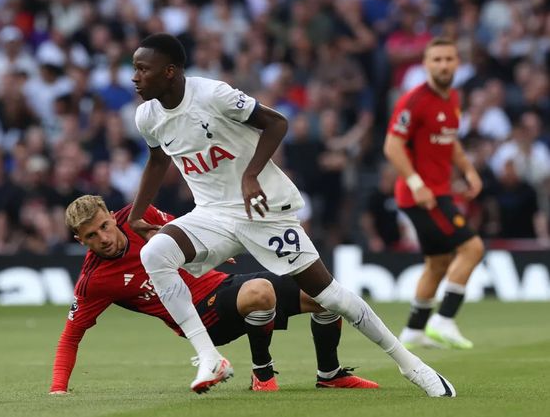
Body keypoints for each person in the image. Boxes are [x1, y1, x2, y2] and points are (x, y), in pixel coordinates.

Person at [127, 33, 454, 396]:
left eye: (143, 69)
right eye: (135, 69)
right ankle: (209, 357)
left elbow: (277, 122)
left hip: (264, 210)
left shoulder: (212, 95)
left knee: (329, 296)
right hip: (212, 214)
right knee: (154, 253)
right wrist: (136, 215)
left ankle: (413, 365)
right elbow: (158, 161)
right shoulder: (147, 116)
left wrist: (251, 175)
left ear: (170, 72)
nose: (135, 76)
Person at [49, 195, 380, 394]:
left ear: (110, 216)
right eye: (92, 235)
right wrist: (58, 390)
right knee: (261, 292)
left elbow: (180, 228)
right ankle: (262, 374)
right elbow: (70, 337)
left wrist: (210, 249)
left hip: (223, 285)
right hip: (201, 318)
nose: (103, 237)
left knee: (325, 294)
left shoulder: (139, 215)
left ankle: (330, 375)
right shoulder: (94, 281)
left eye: (104, 226)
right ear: (81, 241)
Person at [383, 37, 486, 350]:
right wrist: (416, 183)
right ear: (426, 64)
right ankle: (444, 320)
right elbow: (392, 145)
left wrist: (468, 170)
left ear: (458, 63)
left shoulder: (452, 97)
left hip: (438, 190)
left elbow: (449, 139)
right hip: (422, 194)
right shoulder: (414, 100)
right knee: (472, 248)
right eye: (437, 59)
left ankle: (414, 330)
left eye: (449, 59)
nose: (443, 65)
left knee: (438, 263)